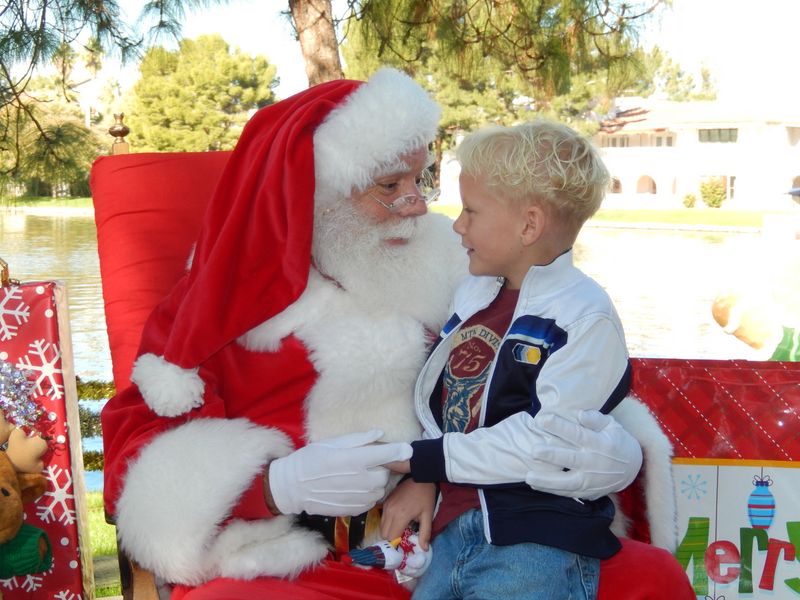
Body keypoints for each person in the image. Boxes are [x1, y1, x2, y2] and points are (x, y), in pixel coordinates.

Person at [100, 68, 690, 599]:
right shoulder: (218, 300)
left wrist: (591, 446)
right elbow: (139, 443)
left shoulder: (460, 265)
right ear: (318, 194)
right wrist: (275, 486)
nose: (416, 204)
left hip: (467, 533)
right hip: (305, 564)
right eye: (388, 185)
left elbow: (546, 369)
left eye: (421, 178)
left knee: (652, 580)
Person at [379, 121, 633, 599]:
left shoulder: (583, 317)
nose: (457, 225)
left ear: (528, 225)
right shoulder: (475, 292)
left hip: (535, 543)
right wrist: (424, 475)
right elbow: (449, 410)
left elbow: (548, 441)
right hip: (454, 533)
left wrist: (426, 460)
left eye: (471, 211)